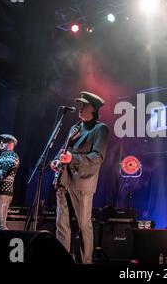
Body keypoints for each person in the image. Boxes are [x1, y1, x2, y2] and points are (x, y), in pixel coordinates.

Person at [50, 91, 109, 264]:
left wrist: (72, 158)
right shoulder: (74, 128)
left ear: (94, 108)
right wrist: (56, 161)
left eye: (84, 105)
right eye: (80, 104)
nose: (80, 108)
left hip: (83, 184)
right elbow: (63, 150)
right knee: (62, 225)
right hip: (63, 181)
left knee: (84, 226)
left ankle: (86, 262)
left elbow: (97, 157)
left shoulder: (101, 129)